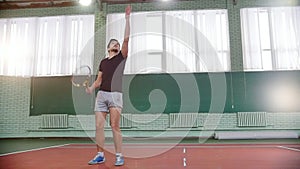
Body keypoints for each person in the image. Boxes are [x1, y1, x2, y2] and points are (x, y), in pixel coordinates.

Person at [86, 5, 131, 166]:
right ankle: (100, 154)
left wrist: (127, 19)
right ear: (108, 47)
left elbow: (126, 39)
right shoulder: (103, 62)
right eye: (114, 43)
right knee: (98, 126)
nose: (117, 44)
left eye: (118, 44)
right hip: (102, 95)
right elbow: (99, 80)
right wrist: (92, 88)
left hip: (115, 95)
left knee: (114, 126)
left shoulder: (121, 57)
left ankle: (119, 155)